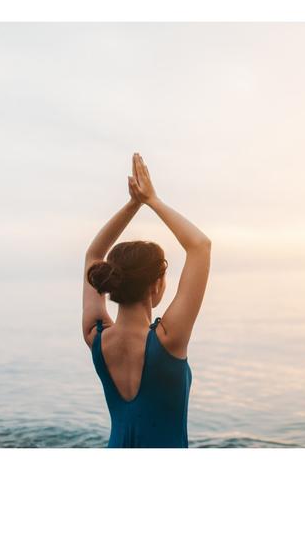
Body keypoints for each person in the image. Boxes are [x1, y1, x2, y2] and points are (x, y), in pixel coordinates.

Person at [82, 152, 211, 447]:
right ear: (156, 286)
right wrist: (151, 200)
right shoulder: (169, 339)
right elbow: (200, 247)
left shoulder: (96, 337)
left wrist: (132, 205)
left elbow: (93, 255)